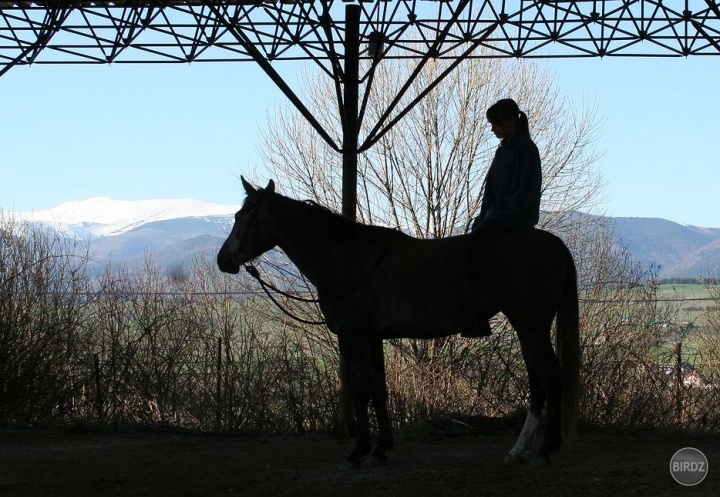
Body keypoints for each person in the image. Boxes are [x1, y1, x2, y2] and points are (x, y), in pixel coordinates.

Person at [462, 98, 542, 338]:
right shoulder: (502, 152)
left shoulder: (527, 150)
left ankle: (477, 312)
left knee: (475, 249)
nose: (493, 129)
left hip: (514, 218)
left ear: (510, 121)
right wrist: (481, 219)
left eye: (496, 123)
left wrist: (497, 212)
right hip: (497, 217)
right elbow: (490, 191)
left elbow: (527, 191)